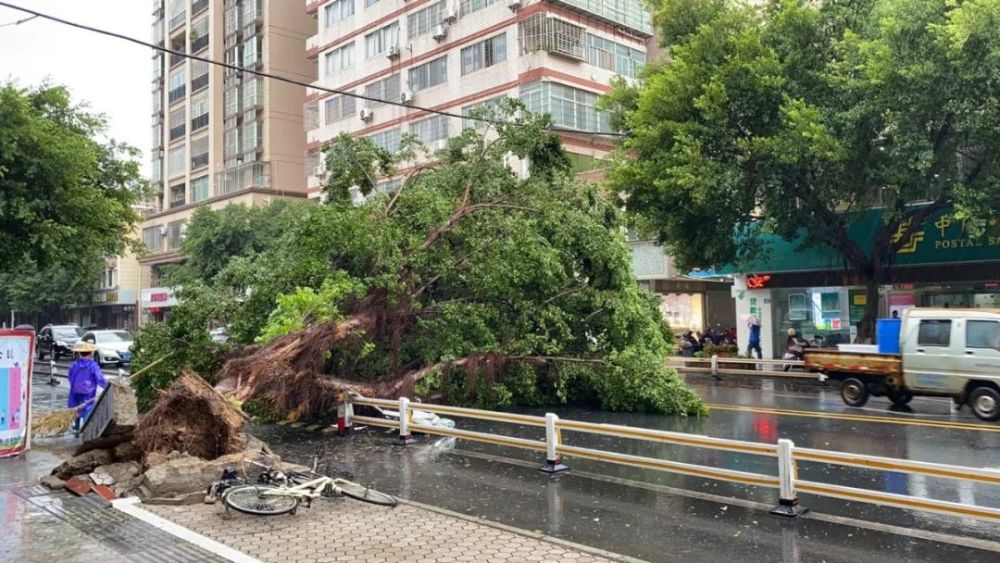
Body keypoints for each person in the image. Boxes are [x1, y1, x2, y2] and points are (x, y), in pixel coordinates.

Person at [67, 342, 107, 430]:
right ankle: (85, 428)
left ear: (79, 353)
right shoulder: (93, 365)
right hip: (88, 392)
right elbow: (99, 379)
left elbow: (70, 376)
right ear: (91, 353)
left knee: (76, 408)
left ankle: (76, 427)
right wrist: (108, 386)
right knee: (87, 409)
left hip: (75, 391)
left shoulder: (74, 364)